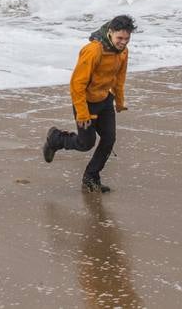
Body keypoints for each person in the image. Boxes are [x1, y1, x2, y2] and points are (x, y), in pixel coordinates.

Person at [42, 15, 136, 192]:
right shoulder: (93, 51)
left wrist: (119, 101)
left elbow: (119, 78)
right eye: (120, 38)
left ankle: (91, 177)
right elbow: (77, 84)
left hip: (104, 100)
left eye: (127, 38)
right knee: (86, 143)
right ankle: (55, 139)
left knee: (109, 139)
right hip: (86, 102)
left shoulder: (123, 51)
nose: (123, 42)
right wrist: (83, 113)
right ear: (110, 32)